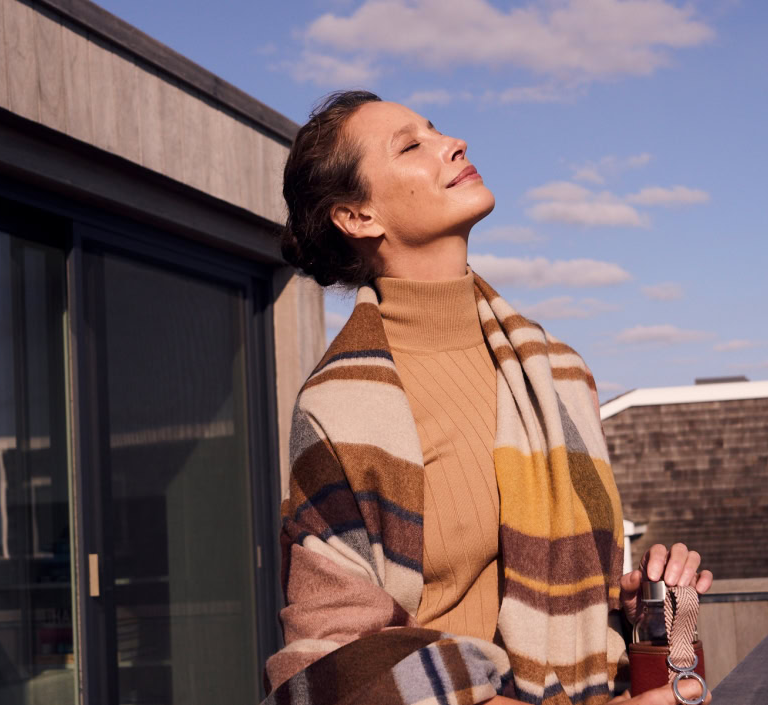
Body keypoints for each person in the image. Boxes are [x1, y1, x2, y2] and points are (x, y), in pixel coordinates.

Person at [263, 90, 713, 705]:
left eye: (436, 128)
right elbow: (340, 657)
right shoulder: (340, 407)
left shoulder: (559, 374)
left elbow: (573, 598)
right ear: (359, 217)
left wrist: (635, 611)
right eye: (411, 145)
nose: (455, 142)